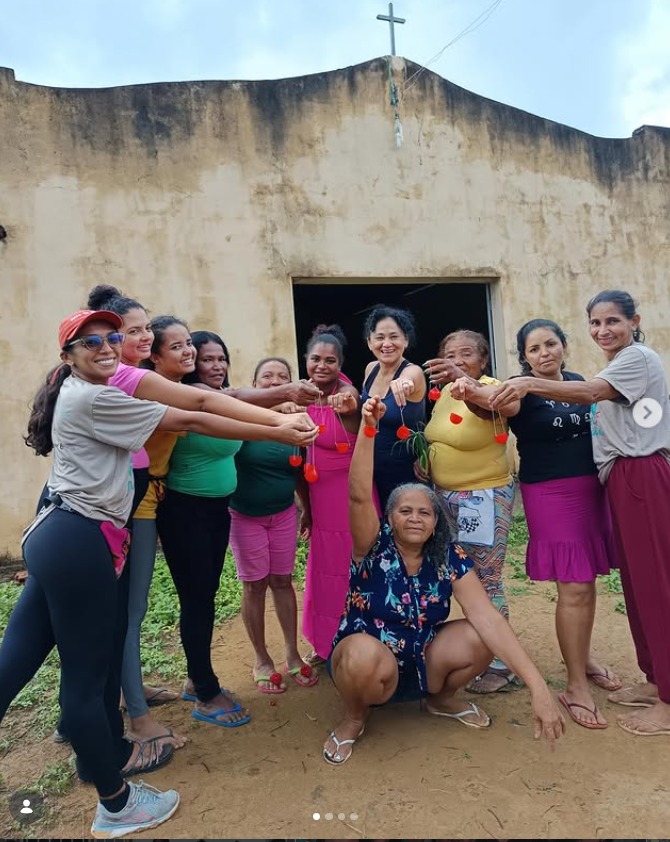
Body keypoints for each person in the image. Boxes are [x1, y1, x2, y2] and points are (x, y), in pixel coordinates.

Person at [0, 310, 317, 838]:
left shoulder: (92, 388)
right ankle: (116, 805)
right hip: (79, 540)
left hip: (57, 532)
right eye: (91, 342)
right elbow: (195, 414)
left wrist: (276, 417)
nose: (107, 346)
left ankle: (112, 792)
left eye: (112, 337)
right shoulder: (96, 398)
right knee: (85, 684)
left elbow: (205, 399)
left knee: (16, 660)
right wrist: (277, 427)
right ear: (68, 356)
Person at [323, 394, 565, 765]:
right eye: (405, 511)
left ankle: (439, 700)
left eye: (425, 512)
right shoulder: (372, 545)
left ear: (437, 522)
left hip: (423, 661)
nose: (415, 518)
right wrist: (369, 430)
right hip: (371, 660)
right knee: (360, 656)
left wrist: (538, 687)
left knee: (481, 635)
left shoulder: (449, 557)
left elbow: (487, 617)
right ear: (390, 518)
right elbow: (358, 495)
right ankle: (355, 717)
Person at [490, 290, 670, 737]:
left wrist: (528, 382)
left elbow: (590, 394)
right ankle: (656, 680)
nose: (603, 330)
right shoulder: (615, 364)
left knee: (656, 582)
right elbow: (494, 403)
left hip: (639, 472)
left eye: (613, 321)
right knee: (638, 583)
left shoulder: (631, 361)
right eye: (596, 322)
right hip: (616, 479)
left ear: (634, 322)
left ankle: (668, 701)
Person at [484, 319, 621, 728]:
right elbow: (488, 403)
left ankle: (583, 658)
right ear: (525, 358)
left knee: (587, 583)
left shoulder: (578, 383)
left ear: (563, 345)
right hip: (551, 494)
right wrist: (466, 383)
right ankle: (575, 685)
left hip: (591, 490)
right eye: (534, 349)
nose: (544, 353)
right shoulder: (518, 390)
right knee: (573, 586)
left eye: (550, 344)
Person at [156, 330, 279, 725]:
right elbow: (234, 404)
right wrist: (280, 419)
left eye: (221, 358)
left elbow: (240, 398)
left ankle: (197, 678)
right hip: (184, 510)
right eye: (207, 358)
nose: (216, 365)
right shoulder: (185, 397)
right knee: (197, 598)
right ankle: (206, 693)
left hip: (215, 510)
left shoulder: (221, 396)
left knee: (204, 595)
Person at [422, 330, 520, 693]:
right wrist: (427, 461)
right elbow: (440, 437)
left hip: (481, 498)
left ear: (484, 360)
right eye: (449, 355)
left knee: (485, 578)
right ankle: (476, 648)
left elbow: (497, 406)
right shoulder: (444, 393)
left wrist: (462, 378)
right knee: (460, 576)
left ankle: (501, 663)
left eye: (466, 354)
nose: (457, 360)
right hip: (445, 498)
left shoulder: (491, 387)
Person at [229, 357, 317, 693]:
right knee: (254, 585)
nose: (275, 381)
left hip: (283, 514)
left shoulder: (298, 422)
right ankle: (262, 659)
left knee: (282, 582)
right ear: (254, 384)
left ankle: (292, 654)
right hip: (244, 515)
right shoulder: (239, 414)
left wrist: (306, 509)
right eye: (267, 376)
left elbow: (300, 471)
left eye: (283, 376)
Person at [302, 325, 365, 666]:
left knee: (350, 567)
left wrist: (347, 398)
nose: (322, 366)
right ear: (306, 360)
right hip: (319, 498)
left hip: (349, 499)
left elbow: (352, 397)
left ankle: (359, 641)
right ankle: (325, 642)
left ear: (340, 365)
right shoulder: (301, 394)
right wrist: (306, 508)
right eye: (316, 359)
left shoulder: (345, 396)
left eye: (330, 360)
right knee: (324, 571)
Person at [361, 305, 427, 511]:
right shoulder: (370, 369)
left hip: (404, 476)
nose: (387, 344)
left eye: (394, 337)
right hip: (371, 473)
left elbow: (410, 379)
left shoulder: (413, 372)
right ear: (369, 342)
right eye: (380, 337)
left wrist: (404, 383)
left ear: (405, 340)